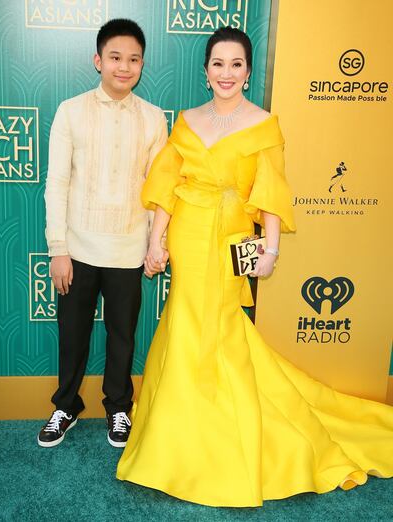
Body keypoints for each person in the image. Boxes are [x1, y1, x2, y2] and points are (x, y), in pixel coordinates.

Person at [116, 27, 393, 507]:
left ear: (248, 70)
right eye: (218, 64)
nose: (227, 73)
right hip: (188, 233)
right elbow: (168, 186)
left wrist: (270, 249)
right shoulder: (186, 123)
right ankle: (177, 439)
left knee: (220, 328)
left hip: (229, 240)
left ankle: (222, 439)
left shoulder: (264, 124)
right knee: (184, 324)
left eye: (237, 64)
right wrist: (156, 241)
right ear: (205, 72)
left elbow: (270, 193)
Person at [38, 19, 168, 448]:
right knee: (73, 334)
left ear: (142, 65)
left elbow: (158, 189)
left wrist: (155, 244)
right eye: (115, 58)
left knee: (123, 335)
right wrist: (58, 248)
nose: (124, 67)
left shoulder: (153, 120)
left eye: (133, 59)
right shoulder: (70, 111)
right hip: (76, 249)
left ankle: (118, 408)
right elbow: (56, 182)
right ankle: (66, 405)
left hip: (129, 250)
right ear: (98, 61)